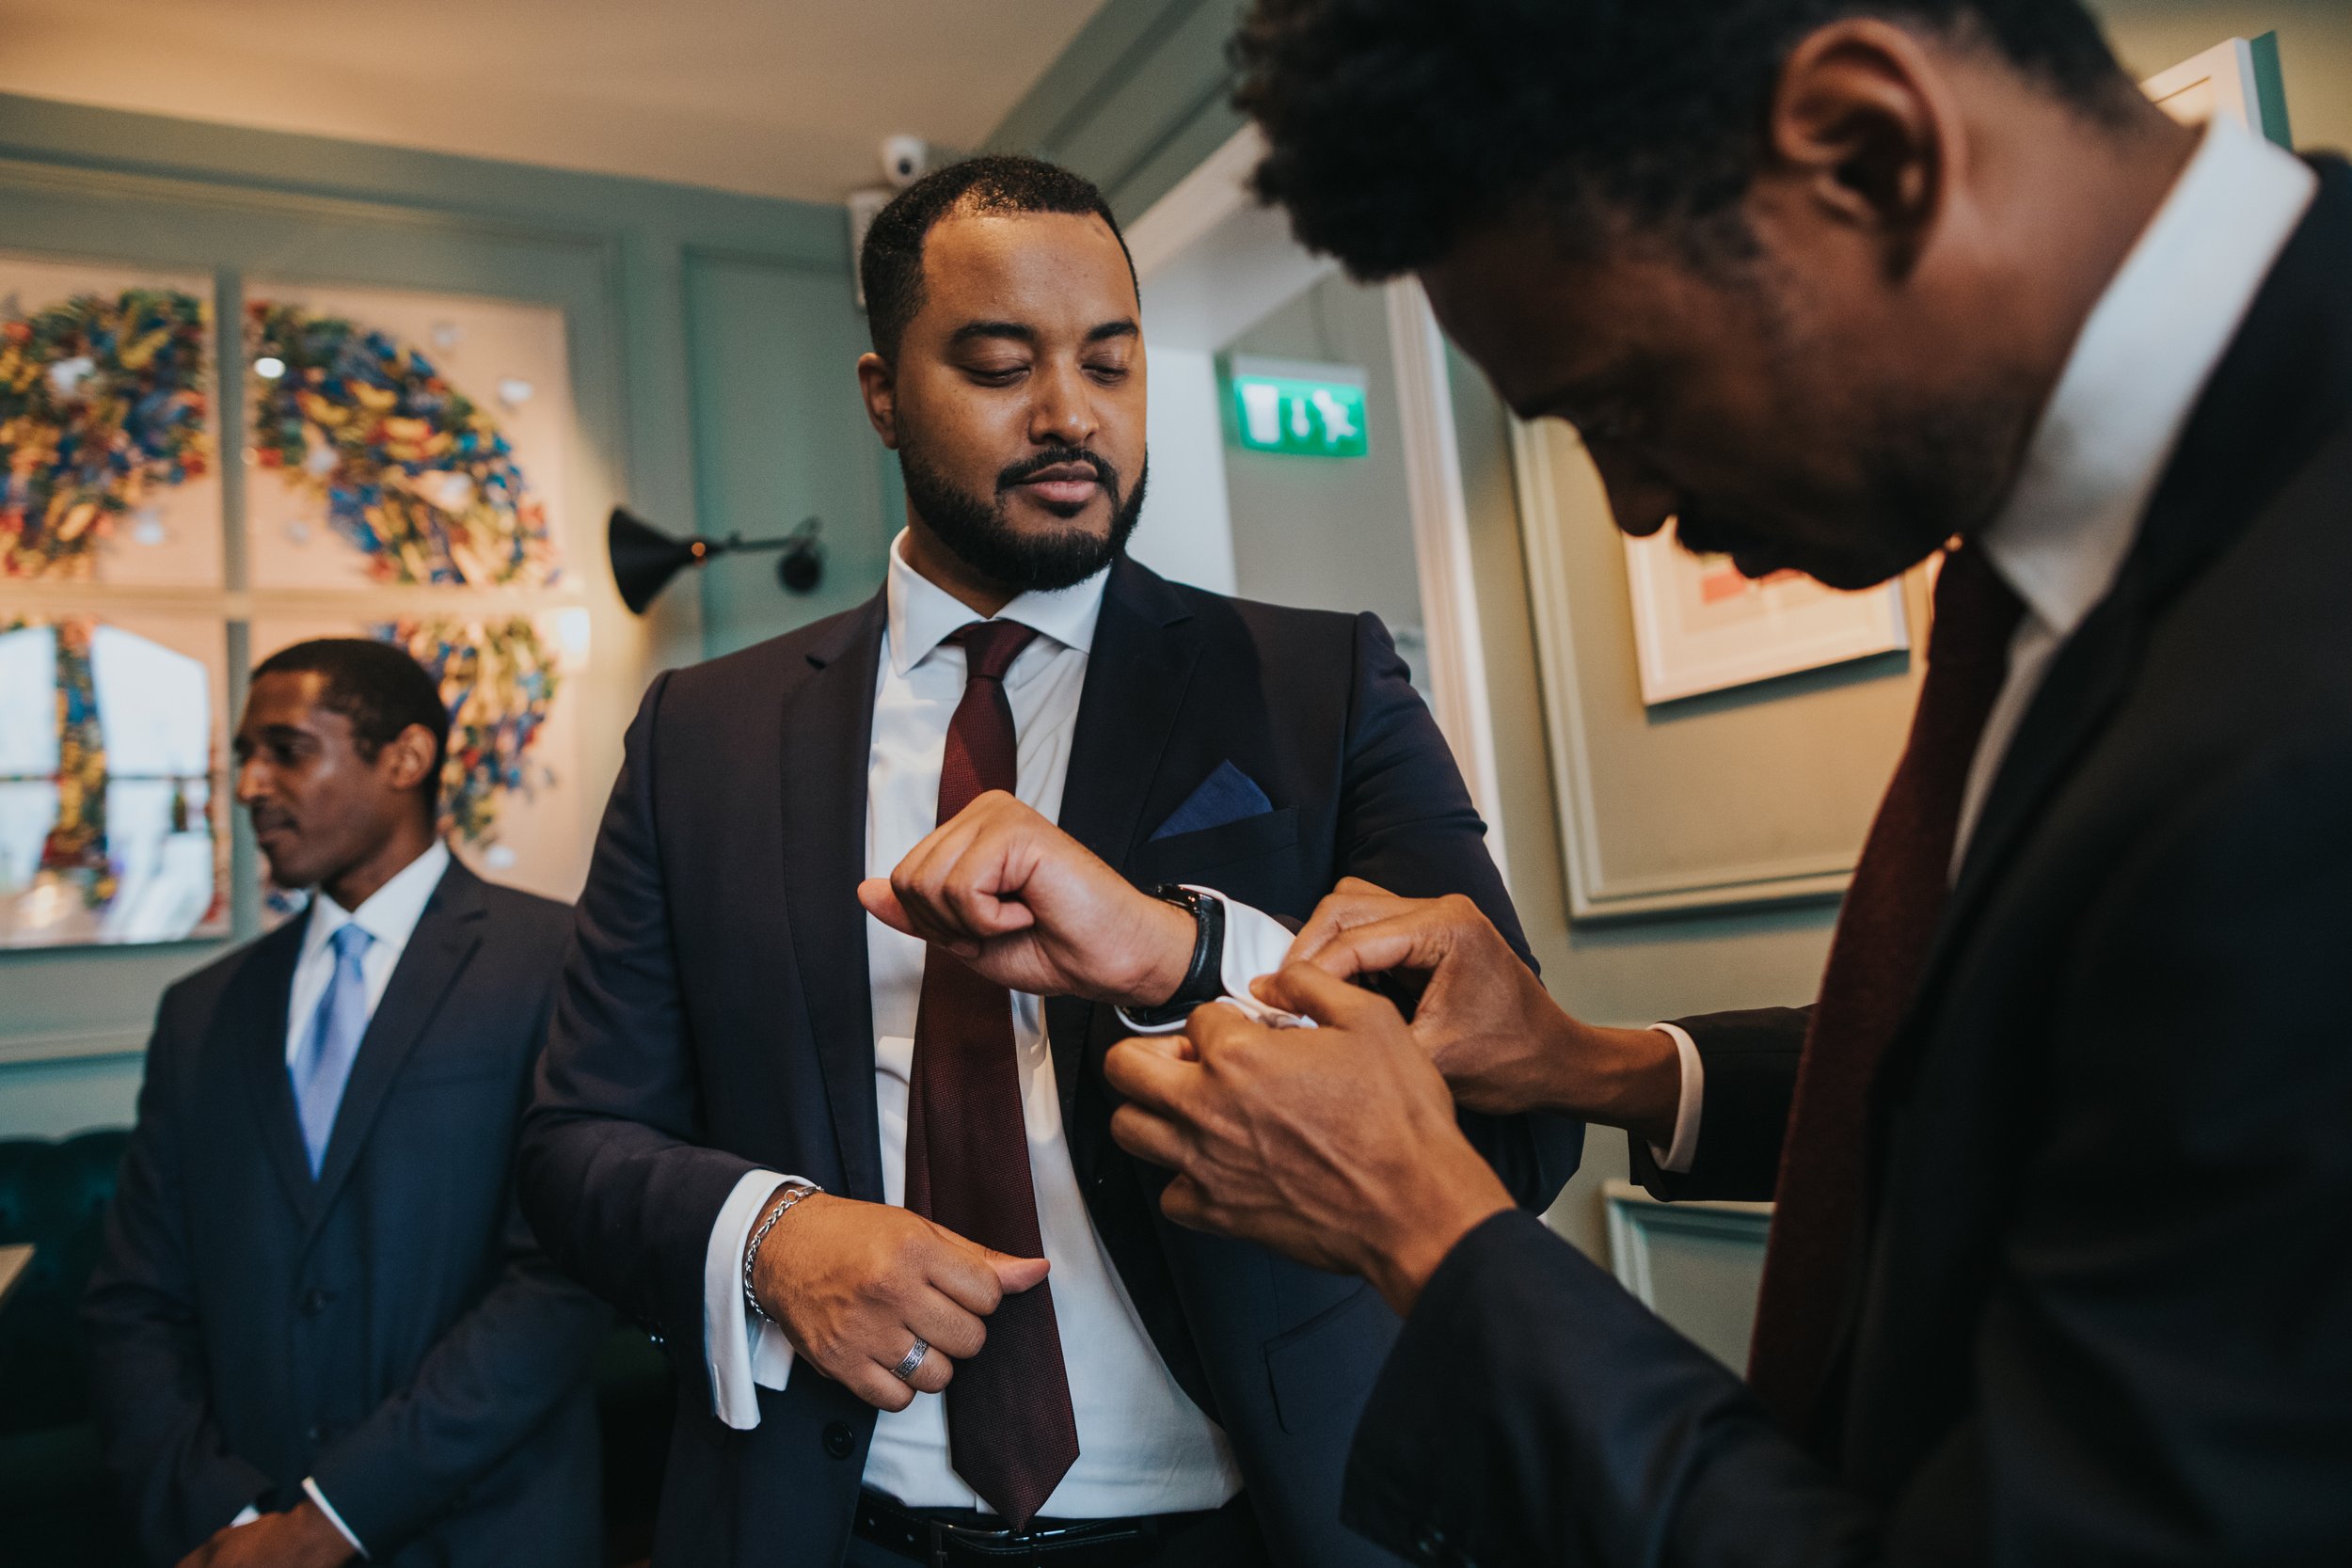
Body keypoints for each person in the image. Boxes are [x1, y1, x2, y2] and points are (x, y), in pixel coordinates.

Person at [1093, 1, 2352, 1563]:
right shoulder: (2106, 562)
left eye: (1621, 404)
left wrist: (1421, 1225)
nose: (1630, 504)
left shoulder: (2301, 716)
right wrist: (1593, 1063)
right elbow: (2099, 1068)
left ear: (1868, 153)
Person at [516, 154, 1581, 1568]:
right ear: (883, 390)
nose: (1072, 414)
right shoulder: (701, 734)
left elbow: (1515, 1112)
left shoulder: (1318, 681)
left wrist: (1186, 947)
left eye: (1112, 364)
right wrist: (772, 1242)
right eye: (1001, 363)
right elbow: (575, 1140)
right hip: (827, 1526)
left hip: (1254, 1522)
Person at [82, 640, 612, 1568]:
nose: (248, 784)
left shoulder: (559, 962)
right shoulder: (202, 1011)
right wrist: (232, 1519)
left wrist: (330, 1519)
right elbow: (135, 1300)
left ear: (405, 758)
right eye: (242, 755)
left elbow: (561, 1282)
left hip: (483, 1530)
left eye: (285, 749)